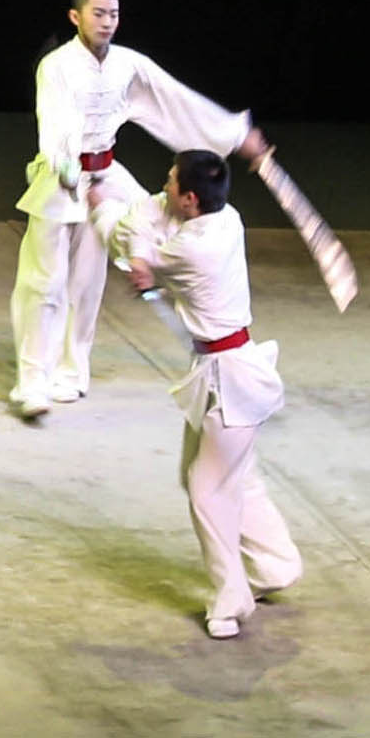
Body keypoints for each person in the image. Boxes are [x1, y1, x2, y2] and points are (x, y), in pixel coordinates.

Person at [10, 0, 269, 418]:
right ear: (75, 16)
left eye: (113, 14)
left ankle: (72, 372)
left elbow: (174, 100)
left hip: (104, 173)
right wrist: (69, 172)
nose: (107, 22)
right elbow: (54, 126)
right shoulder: (55, 66)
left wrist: (234, 135)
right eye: (98, 13)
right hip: (61, 177)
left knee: (87, 283)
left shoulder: (128, 64)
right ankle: (32, 382)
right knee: (44, 282)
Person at [90, 149, 302, 638]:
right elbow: (145, 222)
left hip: (232, 379)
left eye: (170, 182)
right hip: (221, 370)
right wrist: (137, 247)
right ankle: (276, 565)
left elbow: (128, 241)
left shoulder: (190, 250)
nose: (163, 187)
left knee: (207, 488)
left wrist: (104, 214)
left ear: (189, 199)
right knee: (230, 476)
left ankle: (232, 598)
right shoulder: (228, 218)